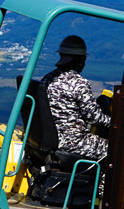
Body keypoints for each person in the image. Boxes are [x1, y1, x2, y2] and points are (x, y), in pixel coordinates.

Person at [40, 35, 110, 163]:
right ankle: (103, 183)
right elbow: (94, 118)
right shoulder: (79, 83)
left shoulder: (47, 79)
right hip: (73, 142)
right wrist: (116, 123)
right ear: (81, 61)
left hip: (50, 139)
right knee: (116, 150)